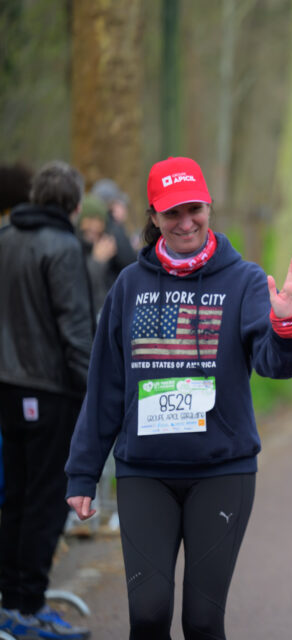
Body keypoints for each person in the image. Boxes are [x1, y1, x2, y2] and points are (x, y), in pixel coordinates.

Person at [64, 156, 292, 640]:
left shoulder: (243, 280)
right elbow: (106, 385)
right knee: (150, 615)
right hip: (145, 472)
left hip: (222, 472)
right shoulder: (129, 286)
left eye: (194, 209)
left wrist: (286, 326)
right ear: (153, 217)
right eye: (172, 213)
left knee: (202, 621)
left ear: (209, 208)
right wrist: (83, 471)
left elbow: (274, 365)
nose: (185, 222)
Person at [0, 161, 94, 640]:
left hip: (8, 389)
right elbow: (76, 330)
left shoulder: (5, 237)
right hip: (50, 392)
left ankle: (11, 602)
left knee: (14, 498)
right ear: (75, 205)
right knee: (43, 503)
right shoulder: (63, 247)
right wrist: (97, 394)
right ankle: (29, 608)